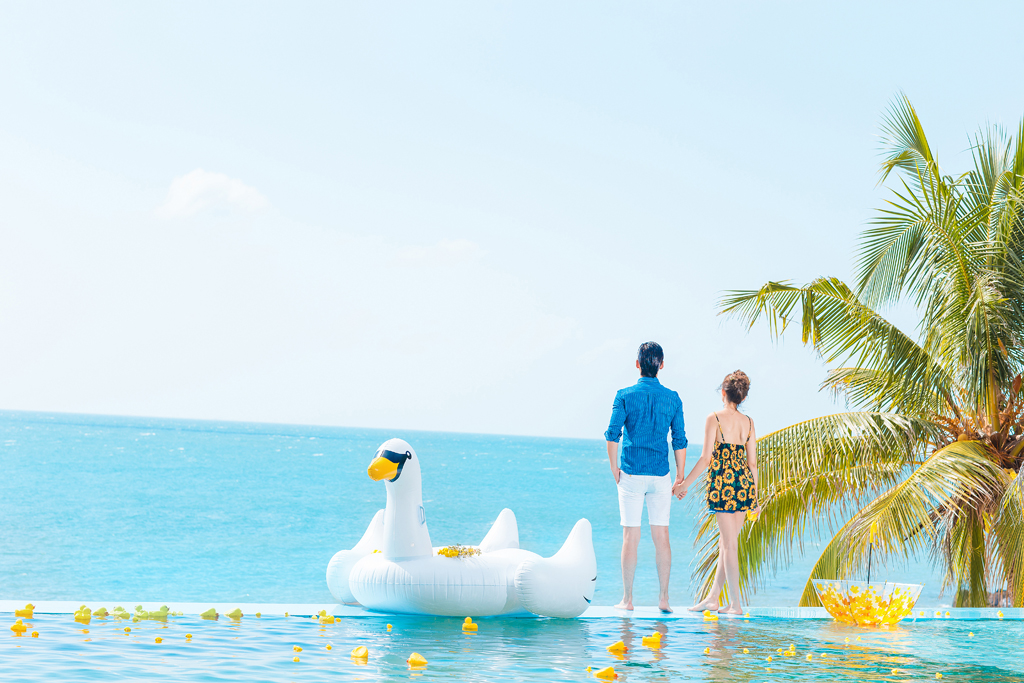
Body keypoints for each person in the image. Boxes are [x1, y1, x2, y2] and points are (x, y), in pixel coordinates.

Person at [604, 342, 688, 613]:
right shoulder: (673, 398)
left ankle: (627, 600)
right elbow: (679, 440)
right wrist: (681, 475)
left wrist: (613, 467)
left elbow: (612, 434)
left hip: (630, 473)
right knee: (661, 536)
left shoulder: (624, 395)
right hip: (661, 475)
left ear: (638, 364)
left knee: (631, 536)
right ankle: (664, 599)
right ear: (661, 365)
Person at [674, 370, 759, 615]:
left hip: (723, 485)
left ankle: (736, 604)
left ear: (723, 392)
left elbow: (705, 459)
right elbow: (753, 464)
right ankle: (713, 598)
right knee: (726, 543)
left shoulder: (714, 418)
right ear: (742, 397)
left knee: (729, 545)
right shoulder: (749, 422)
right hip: (744, 486)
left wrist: (684, 485)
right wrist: (755, 498)